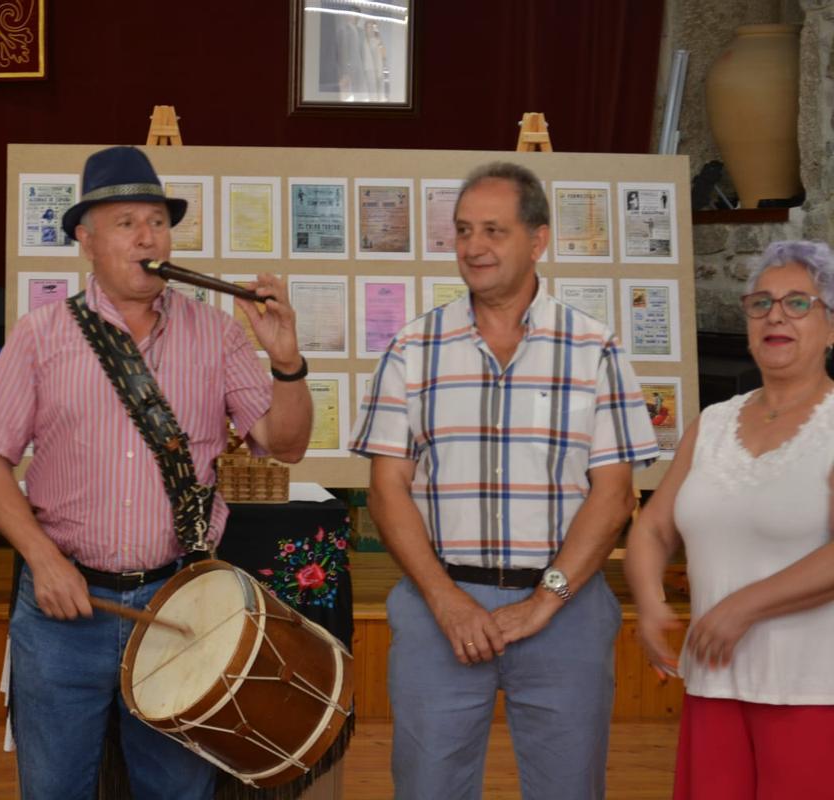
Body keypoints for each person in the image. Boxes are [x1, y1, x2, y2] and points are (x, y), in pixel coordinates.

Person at [0, 146, 313, 800]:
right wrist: (43, 559)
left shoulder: (219, 334)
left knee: (176, 793)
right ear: (86, 241)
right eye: (125, 223)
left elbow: (285, 445)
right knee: (53, 790)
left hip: (181, 605)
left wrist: (286, 361)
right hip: (64, 609)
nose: (147, 236)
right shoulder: (40, 335)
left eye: (156, 220)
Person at [350, 161, 659, 800]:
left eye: (494, 230)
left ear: (538, 239)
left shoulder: (594, 350)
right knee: (427, 788)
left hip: (565, 611)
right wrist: (445, 599)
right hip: (441, 609)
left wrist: (546, 600)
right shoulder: (412, 350)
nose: (473, 247)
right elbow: (388, 490)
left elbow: (614, 494)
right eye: (464, 230)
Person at [625, 239, 834, 800]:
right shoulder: (713, 422)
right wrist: (649, 605)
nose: (775, 316)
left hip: (813, 693)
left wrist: (742, 607)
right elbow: (652, 528)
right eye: (761, 303)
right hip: (713, 682)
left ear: (831, 326)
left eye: (798, 303)